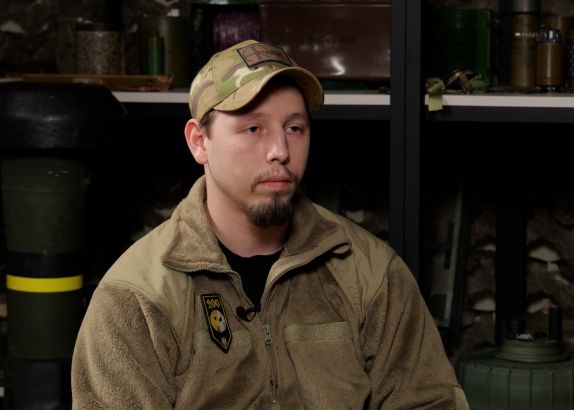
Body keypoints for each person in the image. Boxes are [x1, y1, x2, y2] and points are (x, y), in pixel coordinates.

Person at [71, 39, 469, 409]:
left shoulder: (370, 273)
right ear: (199, 142)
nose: (280, 150)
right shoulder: (136, 297)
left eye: (294, 128)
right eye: (253, 129)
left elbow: (429, 401)